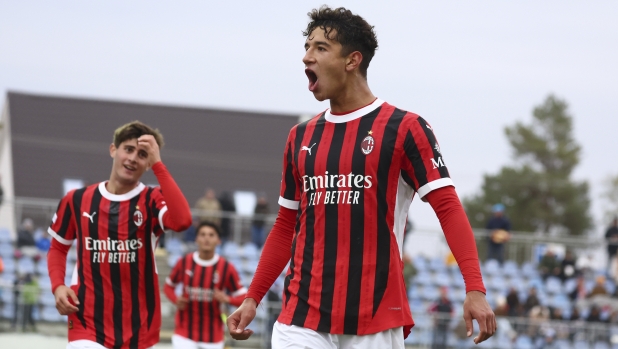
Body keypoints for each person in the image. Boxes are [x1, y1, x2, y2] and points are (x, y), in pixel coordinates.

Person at [226, 6, 495, 348]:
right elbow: (284, 225)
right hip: (301, 317)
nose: (307, 57)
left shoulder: (406, 128)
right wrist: (253, 296)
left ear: (352, 61)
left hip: (375, 317)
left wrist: (474, 288)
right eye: (307, 47)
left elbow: (448, 209)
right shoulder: (301, 136)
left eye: (320, 48)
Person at [46, 121, 192, 349]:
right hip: (87, 320)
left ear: (148, 163)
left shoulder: (152, 199)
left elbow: (183, 221)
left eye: (143, 154)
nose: (133, 158)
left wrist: (159, 165)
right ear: (113, 150)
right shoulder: (76, 199)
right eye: (128, 149)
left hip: (138, 327)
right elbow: (58, 247)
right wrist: (58, 285)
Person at [164, 221, 246, 349]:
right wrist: (176, 300)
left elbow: (244, 298)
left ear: (218, 240)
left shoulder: (226, 268)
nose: (206, 238)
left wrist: (227, 299)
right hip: (184, 333)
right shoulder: (184, 262)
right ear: (196, 239)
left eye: (211, 235)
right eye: (202, 234)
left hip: (213, 336)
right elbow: (168, 287)